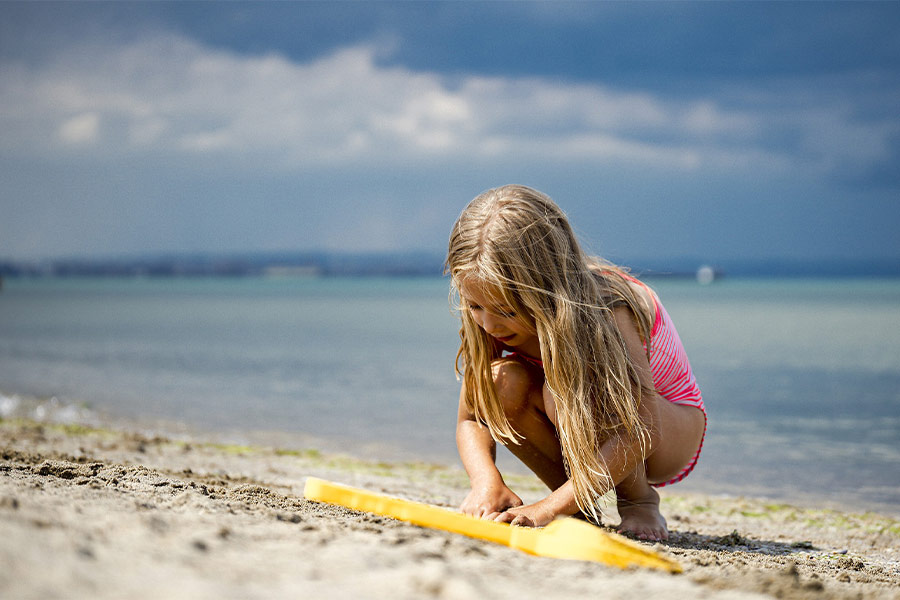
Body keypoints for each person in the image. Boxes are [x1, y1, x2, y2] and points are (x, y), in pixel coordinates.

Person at [446, 185, 707, 541]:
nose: (489, 324)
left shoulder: (605, 308)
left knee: (565, 387)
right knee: (497, 383)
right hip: (586, 422)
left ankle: (639, 500)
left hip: (666, 431)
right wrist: (486, 482)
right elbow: (471, 417)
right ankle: (577, 507)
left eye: (506, 310)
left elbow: (641, 429)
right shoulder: (490, 302)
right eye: (475, 307)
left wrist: (547, 509)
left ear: (545, 288)